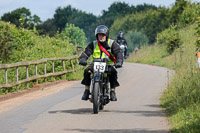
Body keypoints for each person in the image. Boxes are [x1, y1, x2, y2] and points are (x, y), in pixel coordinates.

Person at [79, 25, 123, 101]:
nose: (101, 36)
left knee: (113, 72)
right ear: (97, 35)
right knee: (87, 71)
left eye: (103, 35)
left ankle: (112, 91)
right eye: (99, 35)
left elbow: (118, 53)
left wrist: (119, 61)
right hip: (95, 64)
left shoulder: (112, 43)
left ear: (106, 35)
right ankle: (86, 90)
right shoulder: (93, 44)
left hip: (108, 65)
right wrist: (83, 59)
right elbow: (86, 52)